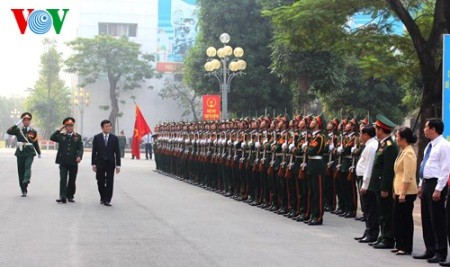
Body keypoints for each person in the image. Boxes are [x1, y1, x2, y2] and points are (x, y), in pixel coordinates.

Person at [413, 118, 450, 264]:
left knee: (437, 220)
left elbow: (445, 169)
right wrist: (421, 184)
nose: (424, 129)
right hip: (427, 183)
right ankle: (430, 249)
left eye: (426, 127)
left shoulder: (444, 145)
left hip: (436, 184)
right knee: (426, 218)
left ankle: (440, 251)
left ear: (433, 129)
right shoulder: (430, 145)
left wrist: (439, 189)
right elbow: (425, 166)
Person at [368, 114, 398, 249]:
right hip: (378, 184)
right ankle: (382, 236)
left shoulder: (390, 146)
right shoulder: (383, 144)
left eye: (377, 128)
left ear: (381, 130)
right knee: (381, 213)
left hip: (383, 185)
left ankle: (388, 238)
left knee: (386, 213)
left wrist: (385, 188)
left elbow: (388, 169)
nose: (375, 131)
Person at [391, 126, 418, 255]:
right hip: (399, 190)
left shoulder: (409, 153)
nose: (396, 138)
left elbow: (408, 175)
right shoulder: (402, 150)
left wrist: (402, 193)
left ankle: (406, 246)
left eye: (397, 136)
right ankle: (400, 244)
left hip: (407, 192)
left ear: (404, 139)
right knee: (397, 218)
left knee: (405, 219)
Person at [6, 112, 41, 197]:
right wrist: (16, 124)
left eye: (28, 120)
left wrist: (39, 152)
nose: (26, 121)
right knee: (20, 171)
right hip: (20, 152)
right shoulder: (18, 130)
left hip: (29, 152)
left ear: (30, 121)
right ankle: (23, 189)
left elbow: (35, 143)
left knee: (27, 166)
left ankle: (26, 179)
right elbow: (8, 131)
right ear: (22, 121)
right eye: (24, 120)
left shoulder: (33, 131)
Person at [50, 117, 84, 204]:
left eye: (71, 125)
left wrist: (79, 156)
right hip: (63, 161)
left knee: (72, 180)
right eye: (68, 126)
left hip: (73, 161)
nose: (70, 127)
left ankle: (70, 196)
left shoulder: (78, 136)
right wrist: (60, 129)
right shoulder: (61, 136)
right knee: (63, 178)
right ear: (65, 127)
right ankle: (62, 196)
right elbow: (52, 137)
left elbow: (80, 148)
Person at [354, 125, 378, 243]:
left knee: (370, 208)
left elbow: (369, 166)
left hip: (366, 180)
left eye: (360, 134)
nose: (359, 136)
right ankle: (368, 231)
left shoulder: (372, 146)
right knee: (366, 208)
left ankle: (372, 233)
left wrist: (365, 184)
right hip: (362, 178)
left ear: (366, 134)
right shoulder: (368, 145)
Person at [91, 120, 121, 206]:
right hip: (99, 163)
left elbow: (117, 152)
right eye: (106, 126)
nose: (108, 128)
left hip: (110, 163)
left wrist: (118, 165)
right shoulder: (97, 137)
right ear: (102, 128)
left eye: (109, 126)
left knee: (109, 181)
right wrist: (93, 164)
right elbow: (94, 152)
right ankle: (102, 197)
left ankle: (107, 199)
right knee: (100, 181)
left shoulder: (114, 138)